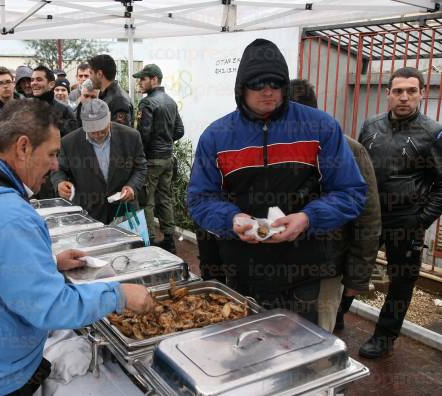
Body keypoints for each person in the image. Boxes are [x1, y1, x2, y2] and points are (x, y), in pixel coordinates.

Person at [0, 99, 153, 395]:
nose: (56, 165)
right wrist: (118, 294)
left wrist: (49, 263)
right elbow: (50, 306)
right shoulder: (7, 214)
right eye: (52, 154)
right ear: (23, 147)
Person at [187, 39, 366, 324]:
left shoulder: (321, 127)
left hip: (307, 271)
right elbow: (200, 198)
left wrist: (308, 218)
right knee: (248, 355)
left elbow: (351, 192)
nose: (268, 91)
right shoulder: (217, 135)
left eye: (275, 83)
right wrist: (231, 219)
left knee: (307, 361)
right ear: (241, 88)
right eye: (257, 84)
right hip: (243, 271)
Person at [357, 67, 442, 358]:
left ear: (421, 93)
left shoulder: (433, 133)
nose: (404, 97)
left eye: (411, 91)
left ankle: (384, 336)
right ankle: (338, 316)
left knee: (401, 281)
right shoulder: (371, 125)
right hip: (368, 215)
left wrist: (421, 220)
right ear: (388, 94)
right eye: (398, 91)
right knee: (352, 267)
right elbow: (358, 168)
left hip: (406, 220)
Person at [289, 78, 381, 333]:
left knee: (316, 338)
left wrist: (357, 277)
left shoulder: (349, 149)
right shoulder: (277, 149)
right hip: (281, 265)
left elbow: (368, 217)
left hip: (326, 268)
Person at [51, 99, 147, 224]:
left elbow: (140, 167)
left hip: (123, 211)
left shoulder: (131, 136)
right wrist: (60, 183)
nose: (97, 134)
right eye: (92, 130)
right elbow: (58, 170)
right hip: (88, 213)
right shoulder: (69, 142)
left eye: (102, 129)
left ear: (109, 118)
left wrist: (132, 186)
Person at [133, 64, 184, 253]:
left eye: (143, 79)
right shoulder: (170, 101)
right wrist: (165, 141)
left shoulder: (147, 103)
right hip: (167, 158)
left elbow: (143, 134)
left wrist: (141, 156)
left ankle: (151, 242)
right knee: (165, 198)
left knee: (147, 201)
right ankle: (170, 240)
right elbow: (180, 130)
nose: (140, 82)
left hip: (152, 159)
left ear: (154, 79)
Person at [31, 65, 77, 137]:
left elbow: (71, 140)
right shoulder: (25, 107)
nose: (34, 83)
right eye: (32, 80)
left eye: (39, 79)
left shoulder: (64, 110)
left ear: (51, 84)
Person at [89, 54, 134, 127]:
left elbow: (121, 134)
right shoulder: (105, 96)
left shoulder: (119, 100)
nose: (89, 77)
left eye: (91, 73)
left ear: (99, 74)